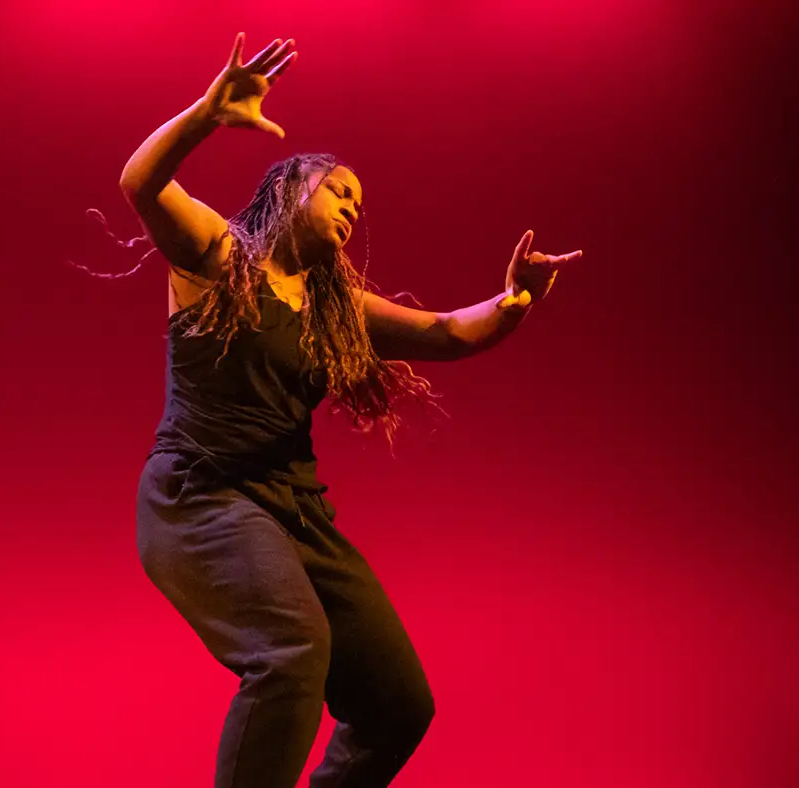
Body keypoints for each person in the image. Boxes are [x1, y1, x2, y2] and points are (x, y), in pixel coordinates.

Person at [118, 33, 583, 788]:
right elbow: (141, 184)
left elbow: (448, 334)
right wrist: (205, 115)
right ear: (290, 188)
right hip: (199, 500)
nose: (352, 209)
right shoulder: (218, 258)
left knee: (398, 703)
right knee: (292, 651)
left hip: (292, 512)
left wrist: (516, 298)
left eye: (359, 205)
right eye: (340, 191)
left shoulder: (334, 309)